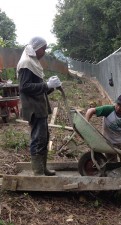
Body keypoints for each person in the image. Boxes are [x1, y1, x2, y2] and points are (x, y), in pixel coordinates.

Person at [17, 37, 62, 176]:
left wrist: (51, 86)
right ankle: (38, 172)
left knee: (43, 138)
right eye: (44, 48)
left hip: (39, 107)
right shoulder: (26, 63)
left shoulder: (33, 63)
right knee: (38, 139)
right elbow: (24, 87)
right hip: (33, 109)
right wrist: (46, 85)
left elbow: (39, 88)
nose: (45, 51)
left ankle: (43, 168)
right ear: (36, 48)